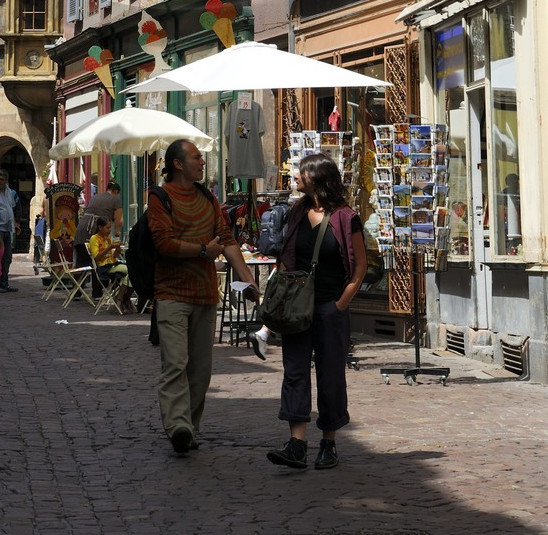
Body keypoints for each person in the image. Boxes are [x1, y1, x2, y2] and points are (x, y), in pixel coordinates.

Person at [148, 139, 258, 455]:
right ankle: (177, 425)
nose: (202, 161)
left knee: (201, 370)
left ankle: (189, 429)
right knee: (175, 364)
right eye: (197, 157)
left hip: (205, 295)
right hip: (171, 294)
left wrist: (248, 279)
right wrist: (200, 250)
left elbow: (226, 240)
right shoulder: (160, 198)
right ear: (178, 164)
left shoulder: (208, 199)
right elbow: (163, 243)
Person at [266, 152, 366, 473]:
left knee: (330, 375)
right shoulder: (297, 211)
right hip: (298, 307)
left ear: (318, 178)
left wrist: (340, 305)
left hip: (329, 307)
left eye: (301, 172)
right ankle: (296, 445)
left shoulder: (346, 217)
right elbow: (287, 255)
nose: (296, 176)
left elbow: (360, 268)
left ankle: (329, 442)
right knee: (294, 371)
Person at [74, 178, 122, 274]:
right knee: (98, 262)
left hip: (81, 229)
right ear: (116, 191)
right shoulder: (115, 200)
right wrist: (117, 233)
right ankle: (99, 286)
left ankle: (79, 287)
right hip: (94, 231)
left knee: (82, 262)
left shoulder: (95, 197)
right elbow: (119, 220)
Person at [88, 221, 134, 312]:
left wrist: (117, 249)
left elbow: (113, 256)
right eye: (107, 228)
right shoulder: (94, 238)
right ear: (100, 227)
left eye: (110, 228)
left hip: (112, 264)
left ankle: (124, 297)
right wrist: (109, 247)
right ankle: (121, 297)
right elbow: (97, 257)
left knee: (134, 271)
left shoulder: (107, 239)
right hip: (104, 267)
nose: (109, 230)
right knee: (132, 271)